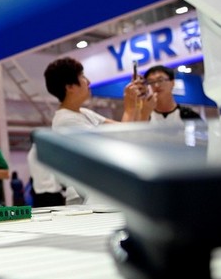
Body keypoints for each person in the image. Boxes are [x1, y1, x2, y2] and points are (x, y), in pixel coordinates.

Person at [28, 56, 154, 207]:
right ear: (70, 87)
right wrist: (130, 108)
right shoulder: (66, 121)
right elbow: (123, 140)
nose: (88, 81)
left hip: (102, 195)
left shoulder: (84, 113)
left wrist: (140, 105)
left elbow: (130, 133)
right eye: (82, 76)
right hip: (87, 202)